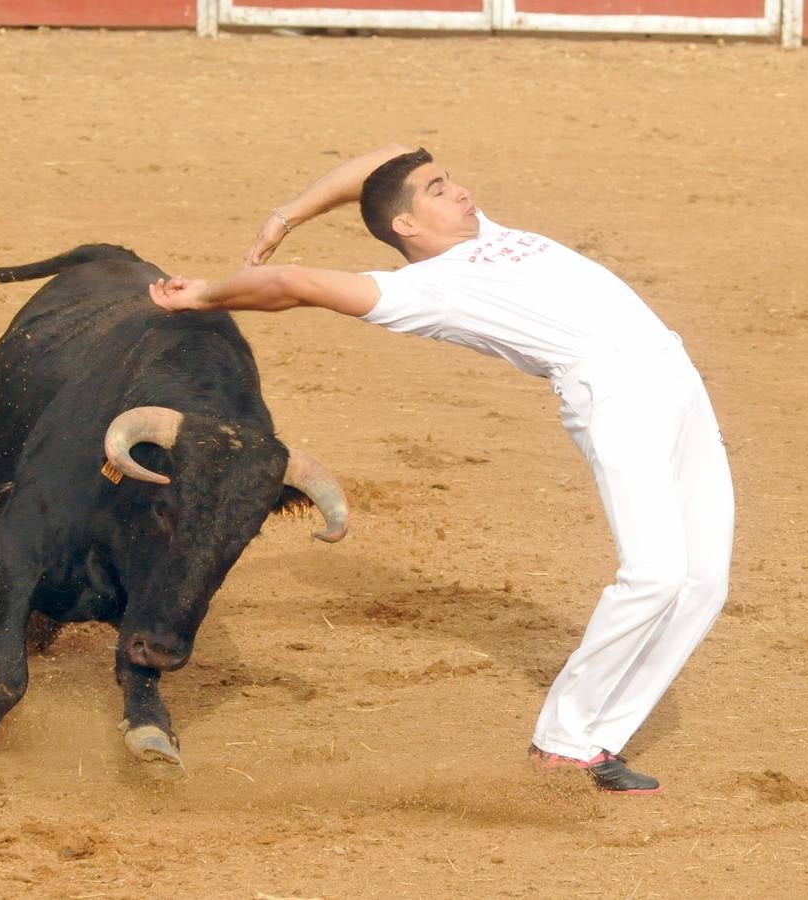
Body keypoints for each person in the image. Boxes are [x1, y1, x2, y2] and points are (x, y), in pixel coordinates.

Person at [148, 145, 735, 795]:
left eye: (449, 181)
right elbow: (291, 284)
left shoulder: (487, 232)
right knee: (654, 575)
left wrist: (286, 215)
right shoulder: (424, 292)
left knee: (703, 581)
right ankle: (564, 743)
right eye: (437, 190)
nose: (458, 191)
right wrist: (205, 294)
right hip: (618, 398)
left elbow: (388, 160)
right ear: (405, 225)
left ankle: (599, 737)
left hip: (676, 379)